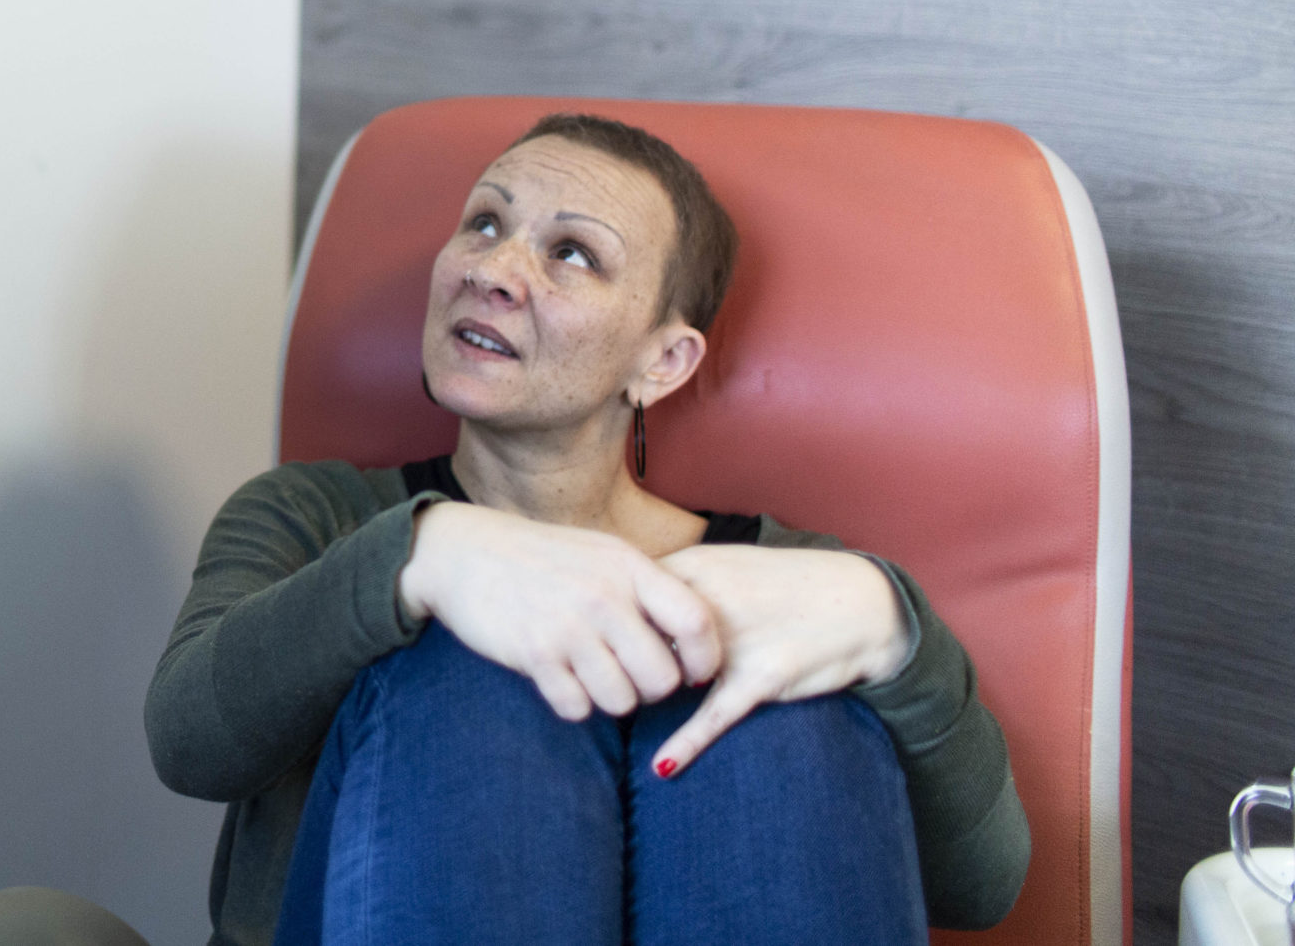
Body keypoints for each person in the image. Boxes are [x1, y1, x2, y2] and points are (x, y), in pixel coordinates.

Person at [145, 114, 1031, 946]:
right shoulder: (318, 515)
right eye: (485, 223)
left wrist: (895, 632)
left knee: (782, 711)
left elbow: (982, 888)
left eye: (571, 252)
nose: (491, 269)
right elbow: (190, 741)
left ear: (663, 359)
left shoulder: (788, 582)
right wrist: (421, 557)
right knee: (477, 671)